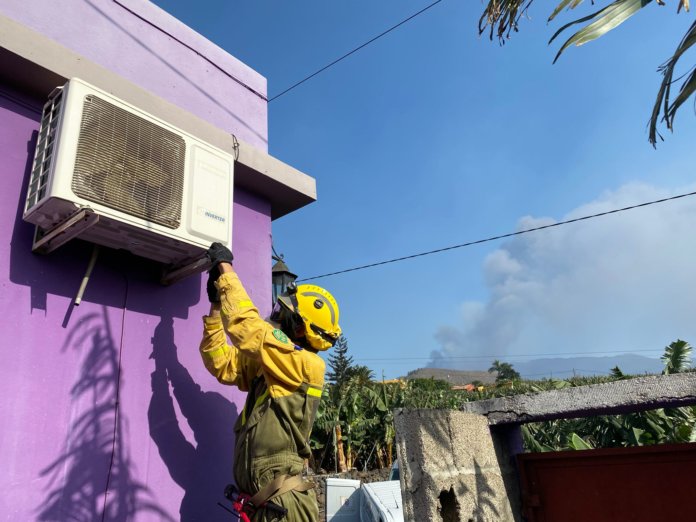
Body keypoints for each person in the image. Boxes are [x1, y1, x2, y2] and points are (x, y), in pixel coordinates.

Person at [200, 242, 342, 521]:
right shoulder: (274, 364)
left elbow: (247, 328)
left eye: (281, 311)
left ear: (300, 328)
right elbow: (221, 364)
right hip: (265, 507)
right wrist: (216, 308)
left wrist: (225, 270)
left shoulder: (305, 365)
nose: (275, 314)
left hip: (285, 507)